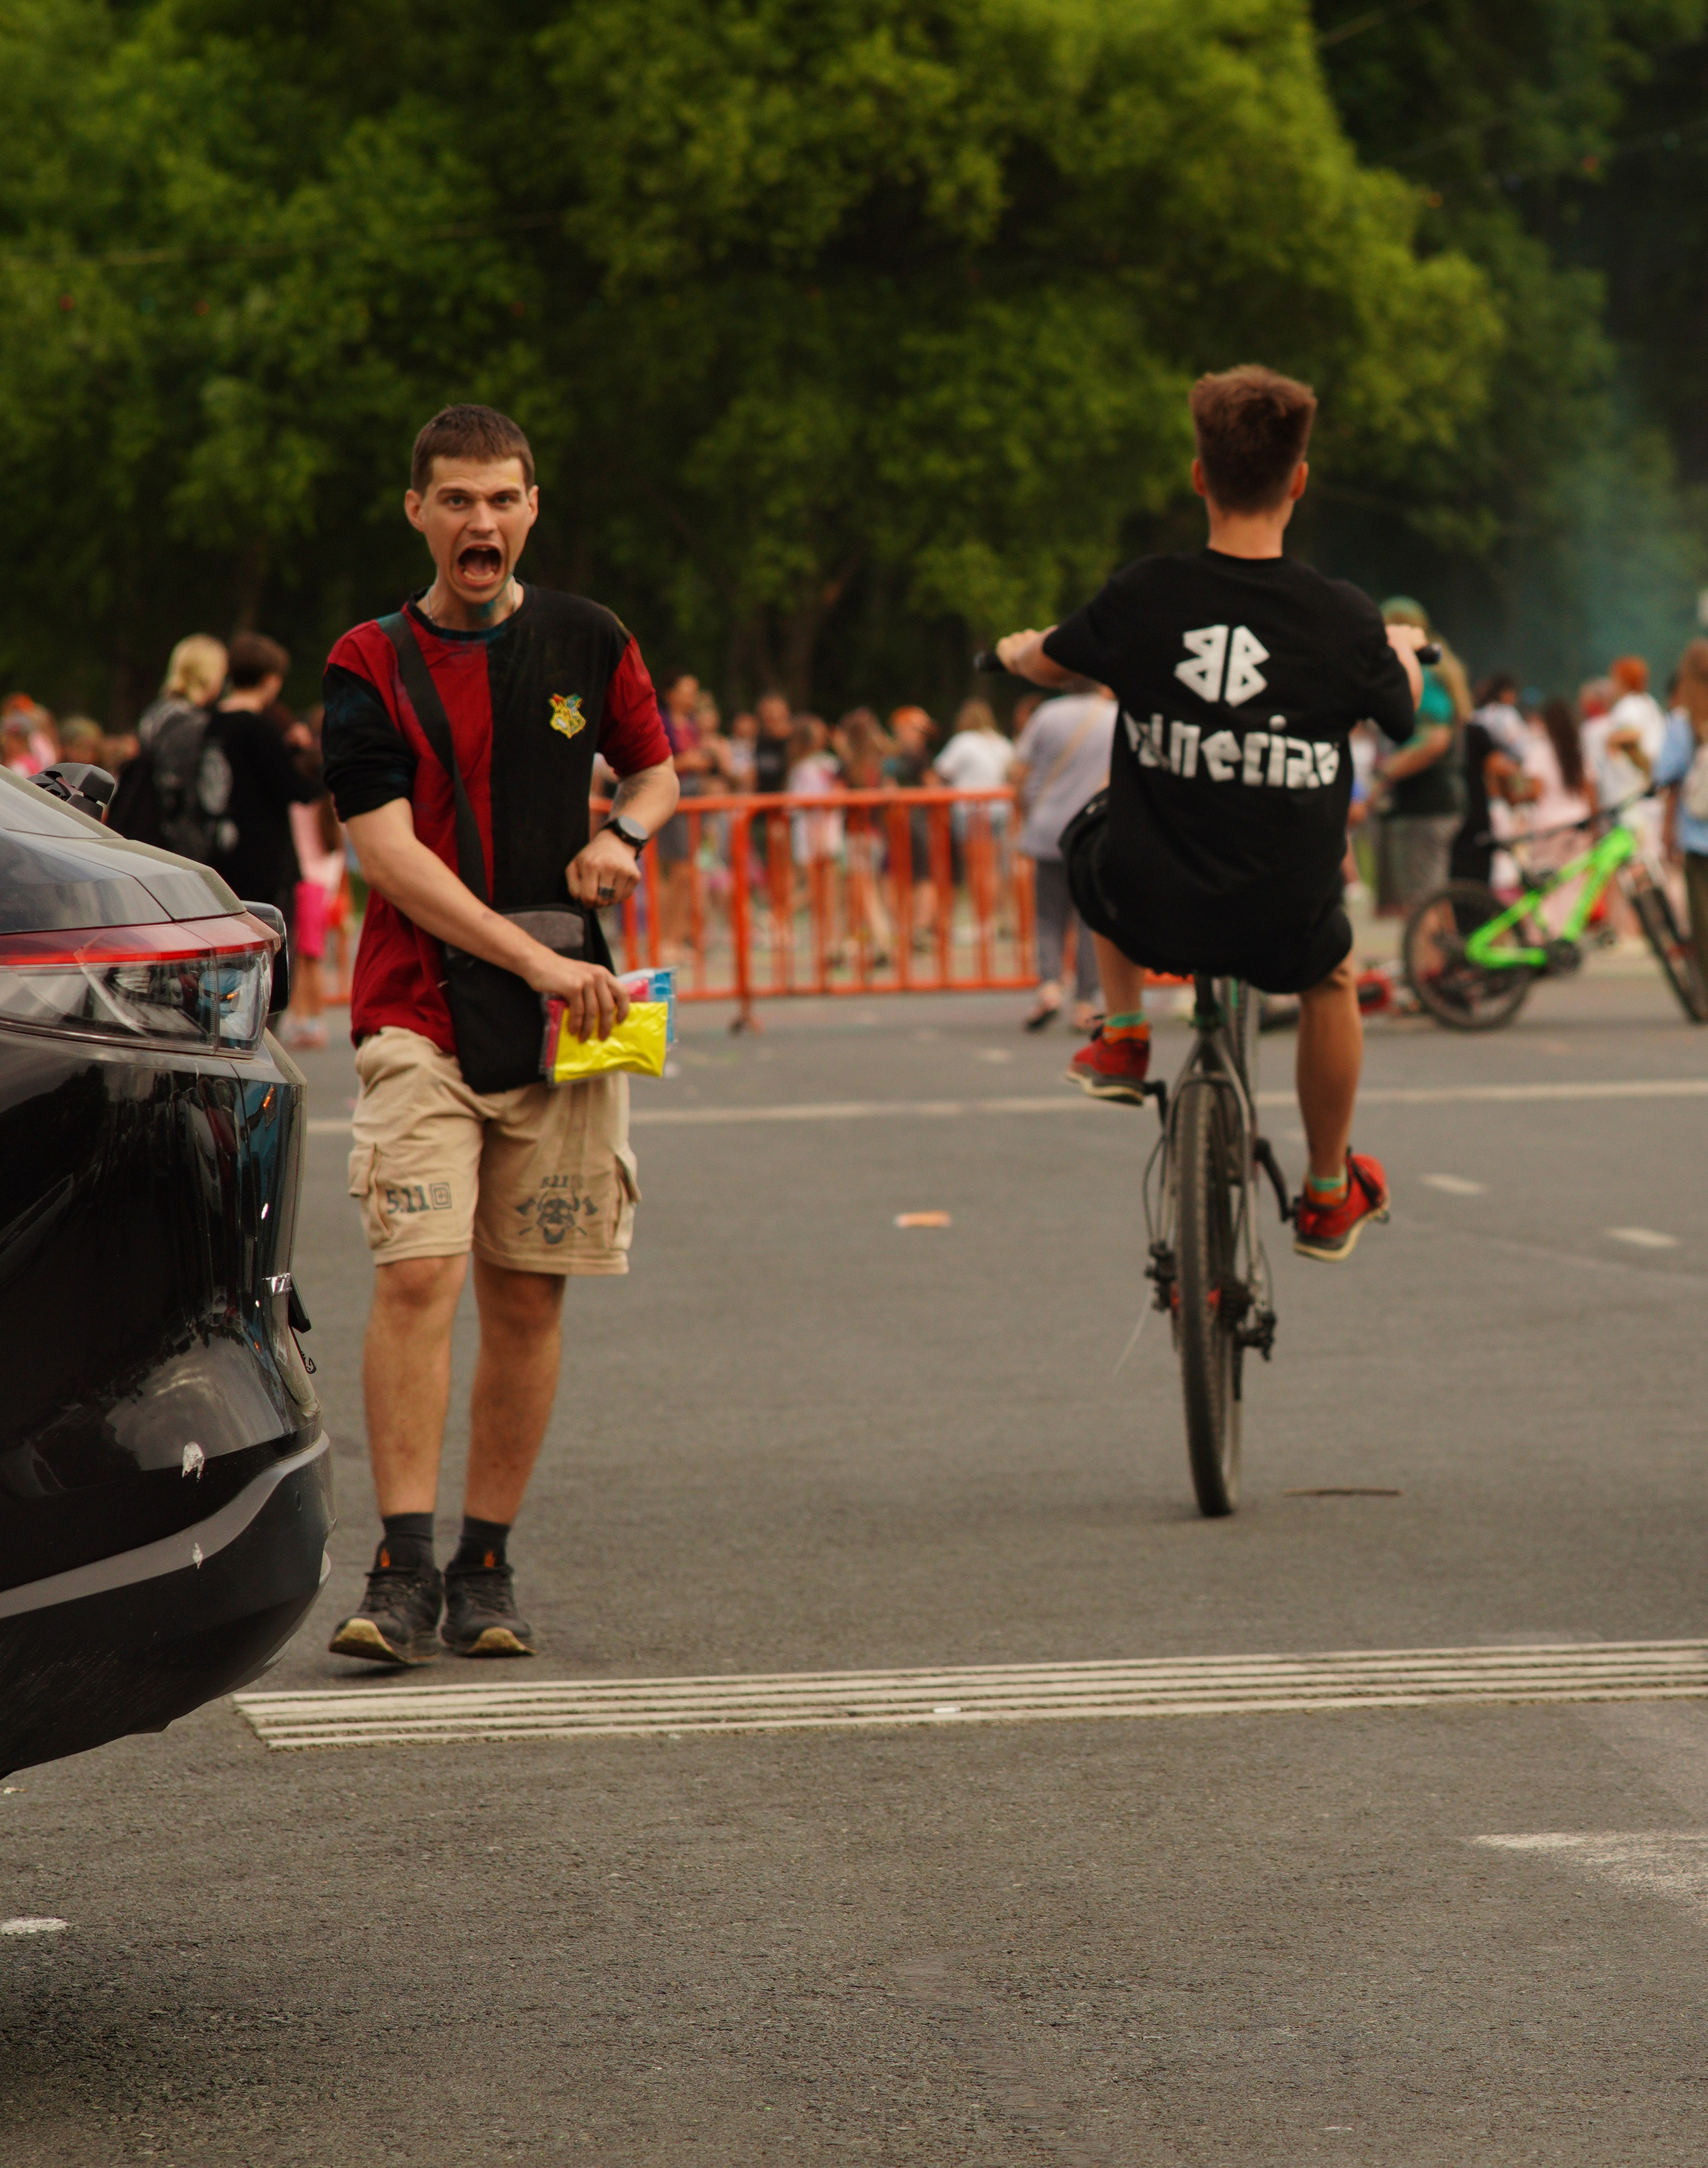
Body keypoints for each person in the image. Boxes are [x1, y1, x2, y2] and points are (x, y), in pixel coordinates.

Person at [319, 402, 678, 1667]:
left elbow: (656, 770)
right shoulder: (366, 661)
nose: (482, 521)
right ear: (417, 511)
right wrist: (535, 958)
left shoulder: (591, 636)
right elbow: (386, 855)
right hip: (419, 1010)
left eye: (503, 498)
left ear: (533, 509)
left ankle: (485, 1563)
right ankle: (400, 1565)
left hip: (570, 1022)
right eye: (459, 499)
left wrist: (623, 834)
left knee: (527, 1291)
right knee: (419, 1273)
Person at [995, 364, 1425, 1262]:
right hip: (1284, 918)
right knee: (1333, 981)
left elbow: (1049, 661)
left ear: (1199, 476)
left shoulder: (1144, 596)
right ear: (1298, 481)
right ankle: (1326, 1191)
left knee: (1093, 829)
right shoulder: (1343, 620)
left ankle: (1122, 1035)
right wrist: (1399, 647)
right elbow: (1402, 710)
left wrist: (1016, 650)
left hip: (1150, 905)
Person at [198, 633, 324, 929]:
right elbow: (295, 789)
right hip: (260, 859)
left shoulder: (208, 722)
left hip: (216, 850)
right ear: (270, 680)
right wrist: (313, 763)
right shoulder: (260, 728)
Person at [1010, 681, 1116, 1031]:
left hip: (1048, 827)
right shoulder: (1115, 716)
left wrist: (1027, 812)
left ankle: (1050, 987)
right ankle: (1085, 1001)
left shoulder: (1047, 714)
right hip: (1094, 829)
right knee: (1090, 919)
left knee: (1048, 915)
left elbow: (1019, 770)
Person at [1372, 597, 1464, 914]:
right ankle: (1444, 947)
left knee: (1420, 902)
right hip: (1438, 799)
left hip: (1422, 803)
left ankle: (1427, 950)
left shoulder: (1422, 671)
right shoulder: (1438, 665)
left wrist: (1383, 775)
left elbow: (1435, 739)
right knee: (1433, 895)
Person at [107, 634, 228, 851]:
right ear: (210, 675)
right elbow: (184, 790)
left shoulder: (157, 711)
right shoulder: (192, 723)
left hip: (139, 824)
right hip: (168, 839)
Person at [1656, 637, 1708, 984]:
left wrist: (1667, 831)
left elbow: (1668, 780)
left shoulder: (1682, 722)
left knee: (1702, 918)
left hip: (1696, 835)